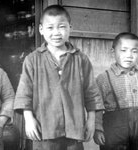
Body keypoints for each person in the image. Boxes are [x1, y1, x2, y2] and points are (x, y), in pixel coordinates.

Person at [13, 5, 104, 150]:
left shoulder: (81, 59)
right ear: (41, 30)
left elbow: (91, 92)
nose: (56, 33)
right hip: (45, 129)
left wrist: (91, 120)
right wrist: (29, 119)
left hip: (74, 130)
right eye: (50, 28)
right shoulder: (32, 60)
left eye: (61, 27)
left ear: (70, 28)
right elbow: (24, 93)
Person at [94, 32, 138, 150]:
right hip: (115, 130)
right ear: (113, 52)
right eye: (123, 50)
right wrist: (97, 129)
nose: (129, 55)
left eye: (134, 51)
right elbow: (97, 106)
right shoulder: (104, 78)